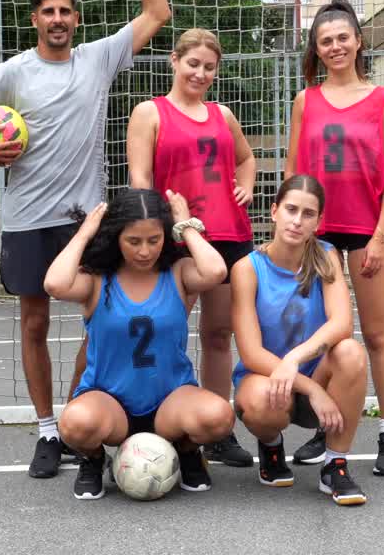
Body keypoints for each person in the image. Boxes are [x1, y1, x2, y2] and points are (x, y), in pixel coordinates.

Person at [0, 0, 170, 478]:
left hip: (87, 219)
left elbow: (158, 13)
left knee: (104, 323)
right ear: (36, 19)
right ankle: (48, 431)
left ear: (77, 18)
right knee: (34, 323)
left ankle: (75, 417)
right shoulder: (12, 74)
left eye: (66, 10)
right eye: (49, 11)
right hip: (27, 219)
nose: (58, 18)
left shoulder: (99, 57)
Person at [44, 188, 235, 500]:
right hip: (110, 402)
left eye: (154, 240)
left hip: (170, 401)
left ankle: (186, 451)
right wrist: (84, 235)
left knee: (219, 417)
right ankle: (93, 460)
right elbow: (54, 283)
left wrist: (186, 225)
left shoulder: (178, 273)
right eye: (134, 241)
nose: (145, 251)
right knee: (75, 424)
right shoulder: (96, 279)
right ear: (117, 237)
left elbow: (216, 271)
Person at [124, 27, 256, 468]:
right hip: (175, 240)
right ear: (174, 61)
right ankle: (155, 428)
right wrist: (161, 231)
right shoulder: (149, 112)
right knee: (164, 334)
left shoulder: (223, 114)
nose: (200, 73)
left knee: (219, 334)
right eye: (193, 63)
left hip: (228, 237)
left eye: (209, 67)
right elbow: (141, 184)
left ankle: (216, 431)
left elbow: (245, 158)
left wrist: (247, 187)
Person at [285, 0, 384, 477]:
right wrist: (296, 231)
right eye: (325, 40)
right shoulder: (305, 100)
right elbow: (295, 171)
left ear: (357, 41)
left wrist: (379, 235)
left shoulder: (382, 100)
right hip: (319, 235)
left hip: (366, 231)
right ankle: (327, 426)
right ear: (316, 49)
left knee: (376, 334)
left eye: (342, 37)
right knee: (329, 340)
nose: (335, 46)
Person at [231, 175, 370, 506]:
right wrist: (312, 390)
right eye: (291, 209)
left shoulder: (325, 256)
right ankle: (270, 446)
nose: (297, 220)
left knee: (351, 353)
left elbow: (342, 323)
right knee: (260, 403)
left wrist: (296, 359)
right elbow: (251, 353)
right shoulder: (247, 268)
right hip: (271, 383)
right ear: (274, 211)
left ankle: (334, 466)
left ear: (319, 222)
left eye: (308, 214)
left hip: (314, 375)